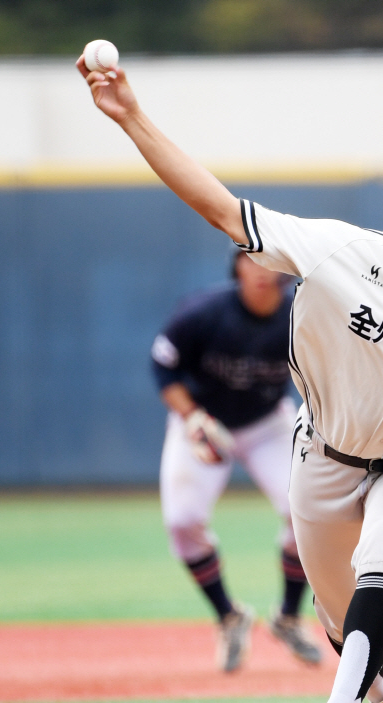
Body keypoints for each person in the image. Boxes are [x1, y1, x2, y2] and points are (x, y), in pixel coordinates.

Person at [78, 57, 383, 703]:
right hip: (321, 453)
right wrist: (130, 115)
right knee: (340, 615)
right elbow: (222, 208)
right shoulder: (341, 252)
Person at [151, 247, 321, 670]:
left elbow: (323, 375)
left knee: (306, 513)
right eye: (251, 259)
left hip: (267, 424)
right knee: (183, 520)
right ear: (237, 267)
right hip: (204, 421)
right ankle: (229, 615)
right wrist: (190, 416)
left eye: (270, 261)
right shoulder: (203, 312)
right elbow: (163, 369)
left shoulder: (300, 316)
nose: (261, 270)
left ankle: (287, 616)